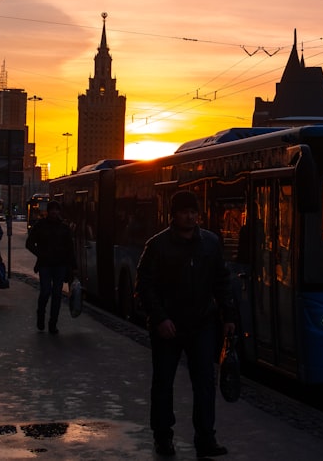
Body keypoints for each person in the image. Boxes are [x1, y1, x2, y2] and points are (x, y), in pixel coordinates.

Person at [135, 191, 235, 458]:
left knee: (204, 382)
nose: (190, 216)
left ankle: (205, 438)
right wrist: (160, 319)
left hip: (202, 323)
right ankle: (163, 437)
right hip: (168, 327)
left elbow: (222, 281)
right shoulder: (157, 245)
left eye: (193, 212)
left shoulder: (211, 243)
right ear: (173, 215)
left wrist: (229, 317)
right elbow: (144, 286)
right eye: (184, 212)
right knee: (163, 383)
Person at [25, 200, 76, 334]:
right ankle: (41, 314)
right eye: (52, 210)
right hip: (45, 264)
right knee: (45, 291)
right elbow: (29, 243)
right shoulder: (40, 225)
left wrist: (73, 266)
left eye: (56, 210)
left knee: (57, 295)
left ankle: (53, 323)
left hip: (60, 264)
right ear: (48, 211)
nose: (54, 212)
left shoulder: (64, 228)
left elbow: (70, 248)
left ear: (59, 212)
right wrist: (40, 254)